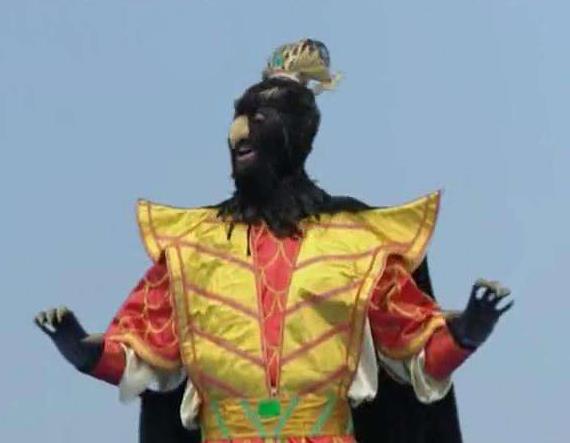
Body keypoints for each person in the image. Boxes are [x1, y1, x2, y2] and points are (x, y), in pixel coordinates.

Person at [35, 39, 513, 443]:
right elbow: (143, 357)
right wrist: (79, 348)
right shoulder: (193, 250)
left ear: (291, 136)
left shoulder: (356, 243)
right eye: (238, 119)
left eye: (257, 119)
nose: (237, 133)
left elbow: (415, 349)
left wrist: (470, 329)